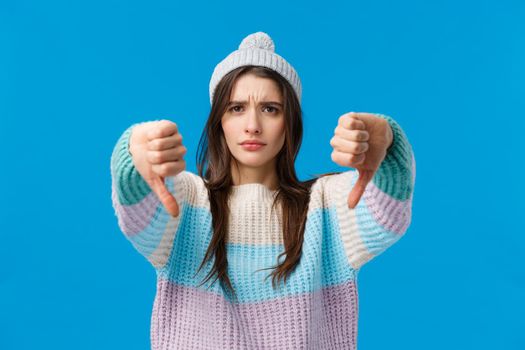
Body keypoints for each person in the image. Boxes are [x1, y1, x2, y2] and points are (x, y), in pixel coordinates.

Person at [110, 31, 416, 350]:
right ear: (219, 122)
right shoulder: (188, 200)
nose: (252, 125)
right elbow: (138, 212)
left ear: (290, 122)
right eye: (236, 108)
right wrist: (132, 152)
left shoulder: (326, 206)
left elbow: (387, 217)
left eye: (270, 109)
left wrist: (389, 141)